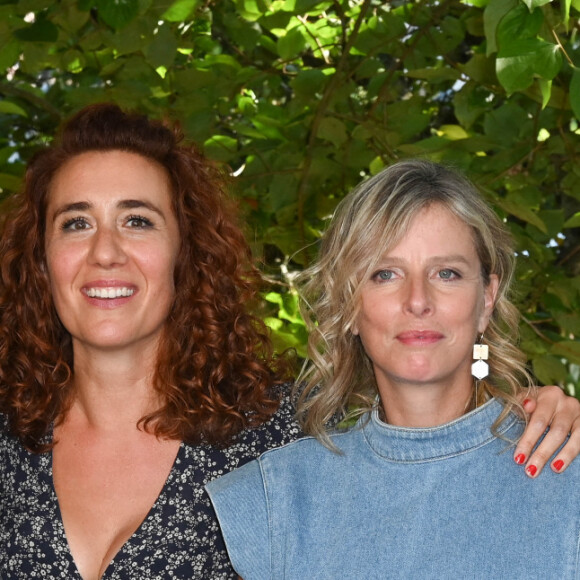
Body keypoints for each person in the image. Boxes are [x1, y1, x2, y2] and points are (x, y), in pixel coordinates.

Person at [0, 108, 576, 580]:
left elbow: (421, 438)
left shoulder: (281, 432)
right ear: (40, 260)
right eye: (75, 222)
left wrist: (539, 409)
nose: (105, 251)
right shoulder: (8, 442)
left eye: (138, 220)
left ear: (186, 253)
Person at [207, 159, 580, 579]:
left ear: (487, 300)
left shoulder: (566, 468)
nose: (417, 300)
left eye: (447, 273)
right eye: (385, 274)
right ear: (348, 304)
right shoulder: (276, 500)